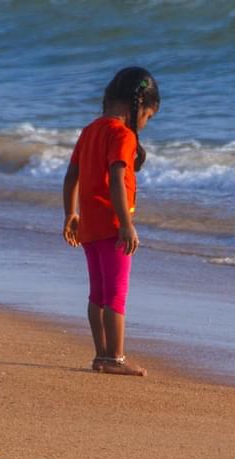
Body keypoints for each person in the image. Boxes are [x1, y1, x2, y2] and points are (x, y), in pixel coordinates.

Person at [62, 66, 160, 376]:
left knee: (98, 294)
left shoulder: (90, 130)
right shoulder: (122, 134)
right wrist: (125, 224)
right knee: (115, 294)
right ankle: (115, 358)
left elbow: (71, 175)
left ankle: (101, 355)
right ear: (138, 106)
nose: (144, 123)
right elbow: (117, 178)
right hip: (113, 226)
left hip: (89, 226)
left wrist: (70, 214)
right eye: (148, 116)